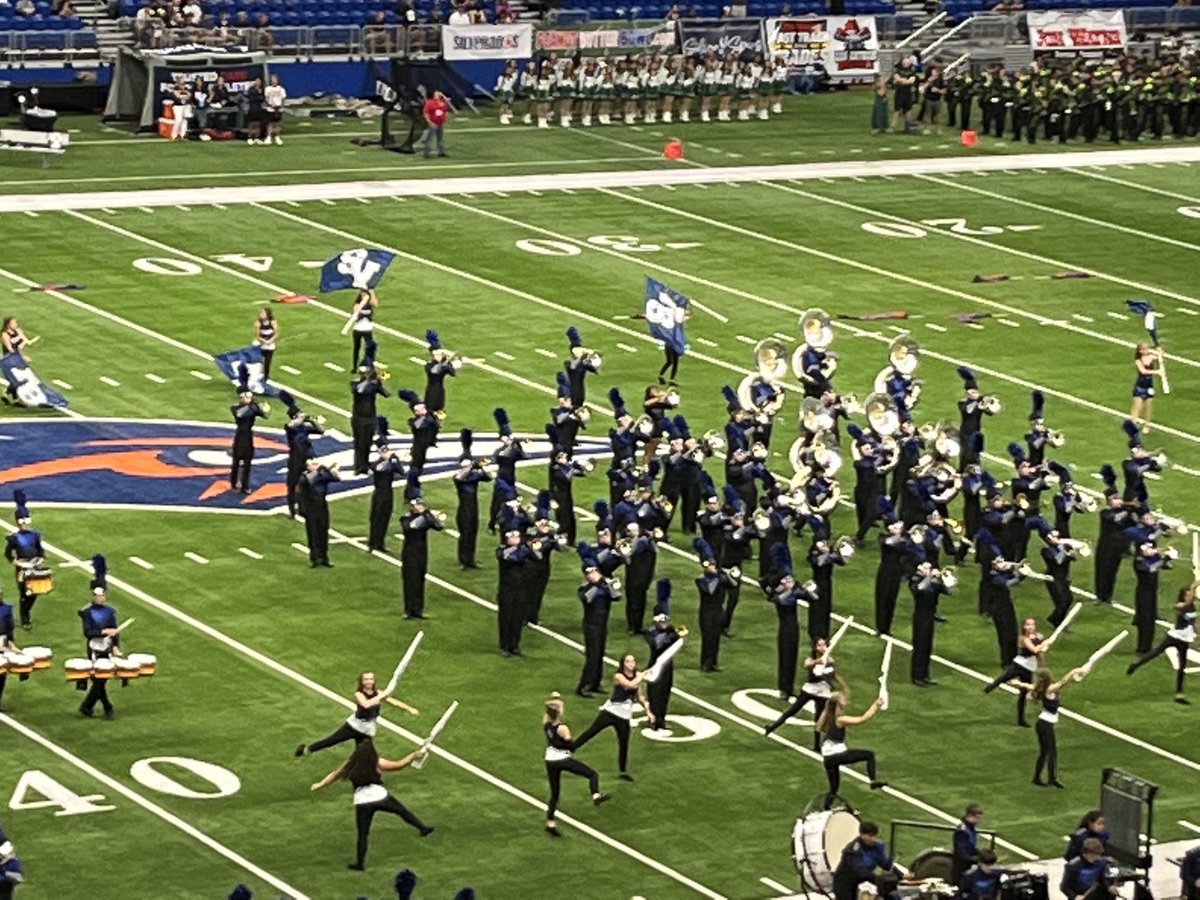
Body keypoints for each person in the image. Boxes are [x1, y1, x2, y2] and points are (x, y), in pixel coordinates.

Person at [310, 739, 434, 871]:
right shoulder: (376, 762)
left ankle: (359, 863)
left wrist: (319, 785)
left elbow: (335, 774)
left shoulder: (351, 764)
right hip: (380, 796)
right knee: (402, 811)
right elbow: (398, 765)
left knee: (363, 834)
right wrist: (413, 756)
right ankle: (423, 828)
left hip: (362, 802)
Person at [571, 653, 654, 780]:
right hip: (611, 712)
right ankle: (571, 747)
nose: (631, 664)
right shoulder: (618, 676)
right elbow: (629, 685)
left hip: (624, 716)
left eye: (633, 661)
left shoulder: (637, 675)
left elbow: (640, 696)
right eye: (628, 661)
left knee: (624, 743)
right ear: (623, 664)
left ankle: (622, 771)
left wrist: (648, 711)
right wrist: (642, 676)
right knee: (591, 732)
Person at [296, 671, 417, 757]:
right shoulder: (359, 694)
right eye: (366, 679)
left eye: (371, 679)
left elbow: (393, 702)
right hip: (353, 726)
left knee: (366, 754)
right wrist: (382, 695)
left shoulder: (378, 693)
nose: (369, 681)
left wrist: (409, 708)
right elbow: (366, 704)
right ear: (362, 682)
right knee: (331, 740)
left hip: (367, 730)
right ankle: (307, 749)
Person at [542, 692, 609, 836]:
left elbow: (550, 710)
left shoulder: (546, 723)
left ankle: (550, 822)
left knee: (555, 793)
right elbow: (571, 746)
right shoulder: (562, 728)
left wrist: (555, 698)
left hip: (550, 760)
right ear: (559, 712)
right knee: (592, 774)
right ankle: (596, 795)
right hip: (562, 759)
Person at [1010, 665, 1086, 788]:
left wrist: (1018, 683)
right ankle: (1051, 779)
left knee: (1044, 752)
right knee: (1051, 752)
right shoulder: (1049, 689)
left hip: (1042, 724)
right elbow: (1063, 682)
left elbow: (1028, 686)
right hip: (1046, 725)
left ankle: (1037, 778)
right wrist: (1073, 672)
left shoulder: (1040, 688)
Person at [765, 636, 844, 750]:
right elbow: (807, 665)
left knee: (819, 719)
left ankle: (817, 746)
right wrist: (817, 662)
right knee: (792, 711)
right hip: (809, 690)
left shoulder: (830, 660)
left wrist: (841, 684)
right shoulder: (811, 659)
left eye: (824, 645)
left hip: (822, 693)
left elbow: (832, 674)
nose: (822, 647)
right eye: (819, 645)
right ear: (815, 647)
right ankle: (772, 726)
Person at [1127, 581, 1197, 704]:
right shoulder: (1181, 605)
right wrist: (1193, 588)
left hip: (1185, 640)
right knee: (1156, 652)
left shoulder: (1192, 607)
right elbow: (1179, 607)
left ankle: (1179, 694)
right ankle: (1135, 665)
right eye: (1187, 595)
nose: (1190, 596)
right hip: (1174, 636)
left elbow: (1193, 623)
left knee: (1182, 667)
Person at [816, 689, 888, 808]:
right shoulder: (840, 720)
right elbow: (862, 719)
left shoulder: (827, 716)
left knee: (833, 788)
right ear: (838, 704)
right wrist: (876, 705)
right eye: (842, 699)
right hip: (838, 754)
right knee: (869, 755)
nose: (846, 700)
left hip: (828, 758)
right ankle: (873, 781)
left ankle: (826, 808)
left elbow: (818, 727)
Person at [983, 617, 1049, 727]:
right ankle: (989, 688)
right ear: (1024, 627)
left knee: (1023, 694)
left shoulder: (1039, 637)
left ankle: (1021, 719)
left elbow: (1039, 654)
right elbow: (1034, 649)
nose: (1030, 627)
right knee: (1004, 677)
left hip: (1029, 669)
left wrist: (1042, 665)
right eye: (1028, 624)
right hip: (1019, 665)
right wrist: (1044, 644)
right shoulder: (1023, 638)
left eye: (1032, 624)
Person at [79, 555, 119, 720]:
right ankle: (107, 707)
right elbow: (88, 633)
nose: (100, 598)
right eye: (97, 596)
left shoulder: (110, 612)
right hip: (94, 648)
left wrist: (116, 646)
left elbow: (115, 630)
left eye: (102, 595)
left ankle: (87, 706)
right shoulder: (88, 613)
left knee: (101, 679)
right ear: (93, 597)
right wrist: (104, 632)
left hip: (107, 648)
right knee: (99, 679)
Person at [399, 476, 443, 619]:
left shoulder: (425, 517)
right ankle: (408, 610)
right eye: (418, 504)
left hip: (421, 552)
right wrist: (424, 516)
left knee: (420, 579)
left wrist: (427, 514)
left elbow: (438, 526)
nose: (420, 506)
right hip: (409, 552)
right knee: (409, 580)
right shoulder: (406, 517)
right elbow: (411, 527)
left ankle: (418, 609)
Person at [643, 579, 684, 730]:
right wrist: (669, 635)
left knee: (665, 692)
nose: (664, 623)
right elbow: (657, 644)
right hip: (656, 665)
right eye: (661, 620)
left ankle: (662, 718)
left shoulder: (670, 631)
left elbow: (676, 644)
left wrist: (676, 635)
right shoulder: (651, 632)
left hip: (668, 666)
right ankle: (654, 718)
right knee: (655, 694)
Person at [576, 561, 619, 698]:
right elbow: (587, 599)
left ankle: (596, 683)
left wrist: (609, 585)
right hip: (591, 625)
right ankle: (584, 686)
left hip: (602, 624)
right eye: (589, 573)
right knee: (592, 656)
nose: (593, 575)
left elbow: (616, 596)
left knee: (600, 654)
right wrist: (598, 584)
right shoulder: (584, 588)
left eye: (594, 571)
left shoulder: (604, 586)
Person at [832, 820, 902, 900]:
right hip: (845, 884)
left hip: (862, 880)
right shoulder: (852, 851)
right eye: (870, 836)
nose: (873, 839)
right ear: (862, 834)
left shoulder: (877, 846)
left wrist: (900, 875)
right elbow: (860, 871)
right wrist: (878, 879)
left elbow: (885, 864)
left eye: (874, 836)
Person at [5, 492, 45, 631]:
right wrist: (16, 562)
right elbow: (8, 554)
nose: (25, 524)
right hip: (22, 568)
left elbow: (40, 550)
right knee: (24, 593)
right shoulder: (14, 538)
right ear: (18, 522)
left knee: (35, 592)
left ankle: (26, 611)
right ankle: (25, 618)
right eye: (22, 521)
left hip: (34, 566)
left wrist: (40, 559)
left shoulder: (35, 535)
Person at [910, 560, 952, 687]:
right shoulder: (915, 579)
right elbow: (919, 588)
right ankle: (917, 676)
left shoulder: (933, 582)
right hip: (920, 616)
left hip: (930, 616)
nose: (929, 570)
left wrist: (944, 578)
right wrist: (930, 577)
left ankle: (925, 675)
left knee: (927, 646)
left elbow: (949, 591)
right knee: (920, 646)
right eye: (926, 568)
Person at [453, 429, 491, 569]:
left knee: (472, 533)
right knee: (465, 534)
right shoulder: (458, 477)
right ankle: (463, 560)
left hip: (473, 507)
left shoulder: (474, 476)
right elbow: (460, 478)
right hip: (463, 509)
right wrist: (470, 467)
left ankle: (471, 559)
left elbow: (488, 477)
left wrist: (480, 467)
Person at [367, 419, 405, 553]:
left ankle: (380, 542)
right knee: (376, 518)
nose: (385, 452)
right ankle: (372, 542)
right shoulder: (376, 463)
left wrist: (394, 460)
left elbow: (401, 472)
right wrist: (387, 459)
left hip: (388, 492)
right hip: (379, 493)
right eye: (382, 450)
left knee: (385, 517)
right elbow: (377, 469)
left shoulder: (391, 462)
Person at [229, 371, 268, 494]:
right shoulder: (235, 407)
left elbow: (264, 414)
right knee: (236, 461)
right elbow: (239, 414)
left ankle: (245, 485)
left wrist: (253, 404)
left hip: (248, 436)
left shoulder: (252, 406)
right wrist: (250, 404)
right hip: (240, 435)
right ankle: (234, 483)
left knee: (247, 462)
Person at [496, 529, 530, 657]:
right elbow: (513, 558)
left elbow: (538, 556)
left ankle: (515, 645)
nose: (515, 539)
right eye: (512, 537)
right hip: (506, 590)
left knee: (518, 617)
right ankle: (504, 645)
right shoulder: (502, 550)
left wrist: (532, 545)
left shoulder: (523, 549)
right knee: (506, 618)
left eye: (517, 537)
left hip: (521, 589)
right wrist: (522, 548)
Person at [302, 460, 339, 567]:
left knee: (323, 531)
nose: (315, 466)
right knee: (313, 533)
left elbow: (336, 478)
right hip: (311, 507)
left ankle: (324, 558)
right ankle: (315, 558)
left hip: (322, 506)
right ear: (308, 466)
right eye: (313, 464)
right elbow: (307, 481)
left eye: (316, 464)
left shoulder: (321, 475)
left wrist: (328, 470)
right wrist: (318, 471)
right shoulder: (304, 476)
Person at [422, 329, 457, 416]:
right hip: (431, 393)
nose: (439, 356)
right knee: (429, 413)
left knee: (439, 413)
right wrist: (442, 364)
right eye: (437, 355)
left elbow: (453, 373)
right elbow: (434, 371)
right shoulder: (429, 365)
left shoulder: (444, 365)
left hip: (440, 392)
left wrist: (449, 365)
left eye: (440, 354)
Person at [1130, 341, 1163, 431]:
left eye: (1147, 348)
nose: (1147, 350)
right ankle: (1132, 424)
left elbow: (1160, 357)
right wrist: (1157, 372)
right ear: (1140, 351)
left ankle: (1146, 425)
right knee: (1137, 407)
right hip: (1140, 387)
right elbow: (1143, 371)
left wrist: (1159, 351)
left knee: (1148, 408)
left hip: (1149, 386)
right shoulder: (1138, 360)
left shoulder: (1151, 357)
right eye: (1144, 349)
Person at [952, 803, 985, 886]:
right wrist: (976, 859)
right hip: (961, 869)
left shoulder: (970, 828)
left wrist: (981, 853)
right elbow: (962, 853)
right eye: (977, 818)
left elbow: (970, 847)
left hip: (968, 865)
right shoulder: (962, 831)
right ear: (969, 816)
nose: (978, 821)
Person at [348, 289, 378, 373]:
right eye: (362, 293)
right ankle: (355, 367)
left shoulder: (369, 303)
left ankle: (370, 366)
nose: (364, 295)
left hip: (368, 329)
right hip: (358, 329)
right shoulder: (357, 304)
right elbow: (355, 312)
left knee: (370, 348)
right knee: (356, 348)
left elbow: (375, 304)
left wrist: (372, 291)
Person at [420, 90, 450, 159]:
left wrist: (445, 121)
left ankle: (441, 152)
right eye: (437, 94)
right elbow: (426, 113)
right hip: (433, 123)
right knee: (429, 139)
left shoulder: (443, 102)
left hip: (441, 123)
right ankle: (426, 153)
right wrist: (429, 122)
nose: (438, 95)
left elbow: (446, 111)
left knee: (440, 139)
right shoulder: (430, 103)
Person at [253, 307, 278, 380]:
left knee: (268, 361)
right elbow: (257, 336)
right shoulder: (258, 323)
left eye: (263, 313)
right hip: (260, 344)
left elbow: (276, 334)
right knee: (258, 361)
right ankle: (256, 374)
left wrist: (270, 341)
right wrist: (264, 341)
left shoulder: (273, 322)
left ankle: (266, 375)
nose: (261, 314)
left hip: (270, 344)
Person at [0, 586, 14, 711]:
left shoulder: (7, 608)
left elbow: (9, 628)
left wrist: (11, 643)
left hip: (2, 643)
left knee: (1, 674)